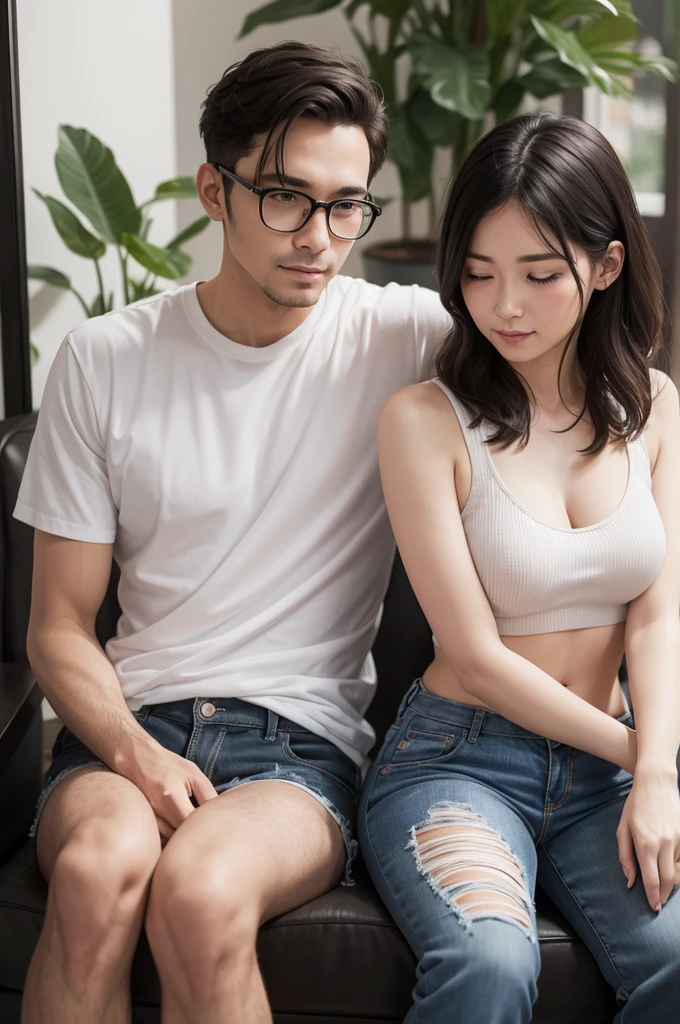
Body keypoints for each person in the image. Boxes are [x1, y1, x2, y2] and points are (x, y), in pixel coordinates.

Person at [15, 42, 450, 1024]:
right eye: (286, 198)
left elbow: (560, 342)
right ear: (214, 191)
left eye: (347, 205)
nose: (319, 237)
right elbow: (56, 624)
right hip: (127, 729)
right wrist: (134, 752)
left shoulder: (402, 338)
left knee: (202, 893)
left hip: (298, 749)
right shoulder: (104, 359)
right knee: (95, 871)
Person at [358, 111, 680, 1023]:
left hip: (608, 775)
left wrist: (649, 763)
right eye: (479, 274)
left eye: (540, 276)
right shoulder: (425, 420)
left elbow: (659, 617)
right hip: (460, 760)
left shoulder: (653, 406)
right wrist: (648, 763)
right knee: (491, 964)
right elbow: (475, 653)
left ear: (607, 265)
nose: (504, 305)